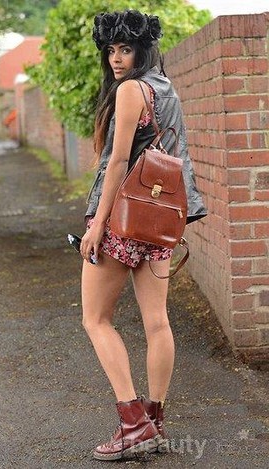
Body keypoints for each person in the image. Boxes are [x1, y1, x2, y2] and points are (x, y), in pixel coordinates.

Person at [80, 9, 207, 461]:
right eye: (111, 50)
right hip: (160, 220)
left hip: (123, 217)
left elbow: (118, 162)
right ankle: (155, 421)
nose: (116, 58)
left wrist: (97, 224)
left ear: (143, 50)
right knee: (157, 322)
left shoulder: (131, 90)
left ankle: (133, 423)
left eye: (125, 49)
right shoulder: (165, 87)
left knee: (95, 319)